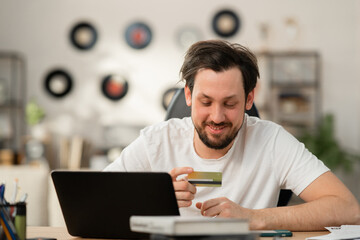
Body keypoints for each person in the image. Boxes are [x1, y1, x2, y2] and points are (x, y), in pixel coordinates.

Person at [104, 40, 360, 230]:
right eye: (206, 102)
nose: (216, 117)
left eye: (229, 104)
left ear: (249, 99)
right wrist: (151, 200)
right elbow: (94, 204)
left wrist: (253, 217)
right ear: (188, 96)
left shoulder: (271, 140)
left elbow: (348, 209)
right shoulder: (156, 141)